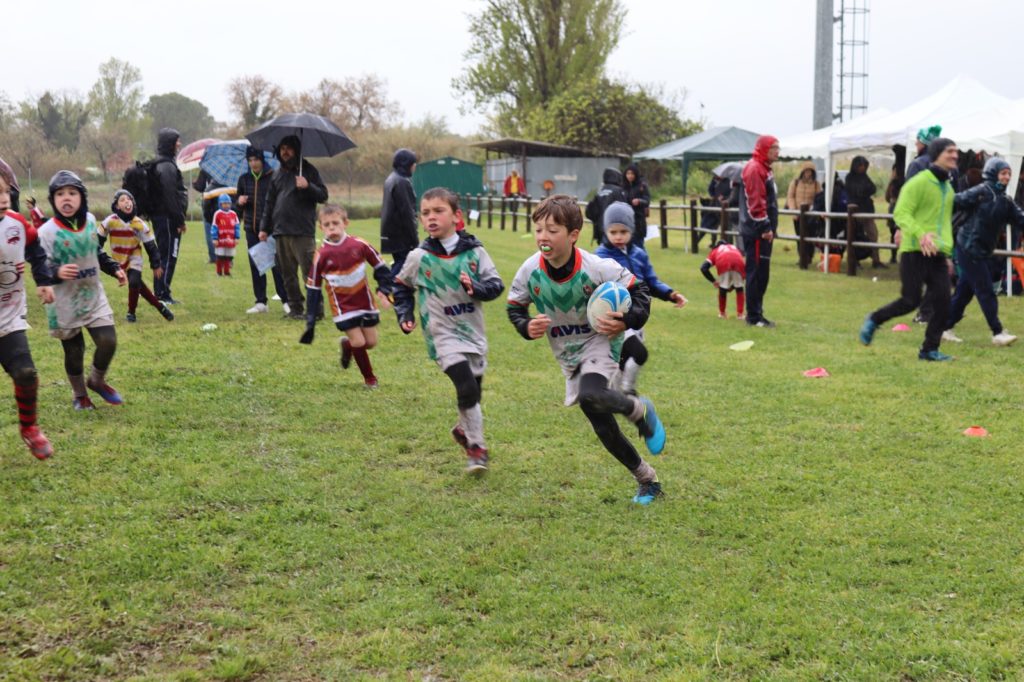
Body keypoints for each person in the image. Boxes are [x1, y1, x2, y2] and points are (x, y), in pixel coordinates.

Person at [506, 194, 666, 505]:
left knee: (591, 394)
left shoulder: (597, 267)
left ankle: (638, 409)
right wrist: (525, 326)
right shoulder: (530, 271)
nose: (543, 237)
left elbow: (640, 291)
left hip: (601, 341)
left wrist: (626, 321)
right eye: (538, 229)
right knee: (602, 426)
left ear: (573, 234)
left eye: (552, 230)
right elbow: (515, 307)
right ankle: (648, 479)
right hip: (568, 353)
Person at [394, 188, 504, 474]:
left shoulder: (476, 252)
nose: (431, 217)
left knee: (473, 395)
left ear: (456, 216)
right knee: (465, 387)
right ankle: (476, 449)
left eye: (438, 211)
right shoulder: (419, 257)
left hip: (473, 333)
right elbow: (401, 286)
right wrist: (404, 313)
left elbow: (495, 286)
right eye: (425, 213)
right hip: (441, 334)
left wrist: (475, 288)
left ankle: (462, 429)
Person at [859, 138, 959, 361]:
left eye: (956, 151)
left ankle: (929, 350)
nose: (955, 155)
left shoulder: (948, 189)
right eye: (949, 151)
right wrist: (921, 234)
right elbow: (901, 213)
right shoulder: (919, 182)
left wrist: (947, 253)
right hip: (914, 251)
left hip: (937, 254)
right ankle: (875, 319)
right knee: (910, 301)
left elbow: (943, 224)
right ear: (936, 155)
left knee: (943, 304)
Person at [38, 171, 128, 408]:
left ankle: (97, 381)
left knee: (108, 341)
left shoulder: (89, 221)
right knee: (75, 352)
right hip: (64, 301)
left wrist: (114, 267)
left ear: (82, 197)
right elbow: (39, 266)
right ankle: (80, 395)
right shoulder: (47, 232)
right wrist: (56, 272)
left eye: (72, 193)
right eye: (60, 194)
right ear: (52, 199)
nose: (66, 199)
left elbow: (95, 250)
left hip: (92, 295)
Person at [595, 202, 687, 395]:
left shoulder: (639, 254)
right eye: (613, 232)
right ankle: (628, 390)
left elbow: (650, 283)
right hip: (615, 317)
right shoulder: (600, 257)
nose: (618, 236)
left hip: (637, 316)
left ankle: (612, 395)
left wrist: (670, 294)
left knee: (624, 357)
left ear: (632, 230)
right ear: (605, 231)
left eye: (623, 231)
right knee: (639, 353)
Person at [299, 204, 394, 388]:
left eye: (336, 223)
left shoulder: (359, 245)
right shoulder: (322, 255)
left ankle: (347, 346)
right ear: (321, 228)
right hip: (342, 306)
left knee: (371, 342)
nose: (331, 227)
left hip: (365, 302)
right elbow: (313, 288)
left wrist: (384, 289)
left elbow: (381, 267)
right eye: (327, 225)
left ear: (346, 223)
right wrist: (310, 321)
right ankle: (370, 378)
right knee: (359, 341)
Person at [0, 175, 57, 459]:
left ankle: (29, 427)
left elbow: (35, 248)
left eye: (5, 191)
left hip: (8, 318)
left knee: (25, 373)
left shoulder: (17, 223)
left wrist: (44, 280)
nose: (3, 198)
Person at [942, 157, 1024, 347]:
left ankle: (943, 327)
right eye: (1003, 173)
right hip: (968, 248)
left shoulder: (1005, 201)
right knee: (985, 289)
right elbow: (954, 201)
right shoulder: (980, 192)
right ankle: (997, 332)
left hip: (983, 251)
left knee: (964, 292)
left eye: (1009, 173)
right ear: (992, 173)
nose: (1007, 177)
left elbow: (1021, 218)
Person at [259, 135, 329, 320]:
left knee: (309, 273)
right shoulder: (277, 173)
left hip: (302, 232)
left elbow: (323, 195)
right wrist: (264, 228)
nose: (285, 151)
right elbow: (269, 202)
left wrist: (308, 186)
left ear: (297, 150)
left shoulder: (309, 170)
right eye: (282, 148)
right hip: (280, 231)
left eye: (289, 148)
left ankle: (316, 310)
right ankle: (296, 309)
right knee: (287, 275)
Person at [98, 190, 173, 323]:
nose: (127, 202)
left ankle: (131, 313)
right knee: (138, 285)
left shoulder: (139, 223)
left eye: (129, 199)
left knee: (134, 282)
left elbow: (151, 245)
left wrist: (156, 264)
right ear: (116, 206)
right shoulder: (110, 221)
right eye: (122, 200)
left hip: (134, 258)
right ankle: (160, 306)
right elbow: (97, 242)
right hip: (118, 261)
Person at [237, 146, 286, 314]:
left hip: (271, 230)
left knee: (276, 265)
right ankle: (260, 302)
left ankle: (285, 299)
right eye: (250, 160)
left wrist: (270, 226)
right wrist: (239, 201)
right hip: (251, 228)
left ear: (262, 160)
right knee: (256, 264)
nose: (253, 163)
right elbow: (237, 209)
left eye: (256, 159)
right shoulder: (243, 179)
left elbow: (279, 203)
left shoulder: (273, 177)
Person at [739, 135, 780, 328]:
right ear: (764, 148)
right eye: (774, 148)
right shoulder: (755, 169)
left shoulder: (764, 168)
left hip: (763, 232)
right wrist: (765, 227)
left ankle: (758, 312)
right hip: (756, 232)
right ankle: (754, 316)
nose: (777, 151)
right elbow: (756, 203)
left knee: (763, 273)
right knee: (756, 273)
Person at [150, 128, 187, 305]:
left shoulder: (163, 164)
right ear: (169, 143)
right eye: (176, 141)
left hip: (162, 218)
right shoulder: (166, 167)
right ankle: (162, 294)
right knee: (168, 255)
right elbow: (170, 196)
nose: (179, 144)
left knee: (164, 254)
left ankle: (162, 291)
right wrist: (179, 220)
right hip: (168, 219)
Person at [380, 148, 418, 280]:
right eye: (413, 163)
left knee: (400, 262)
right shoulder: (401, 182)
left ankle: (394, 290)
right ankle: (388, 287)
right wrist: (414, 239)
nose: (415, 166)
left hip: (391, 232)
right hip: (401, 234)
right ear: (407, 164)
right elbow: (407, 212)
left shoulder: (391, 178)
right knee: (404, 263)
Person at [844, 156, 885, 268]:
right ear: (856, 166)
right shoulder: (849, 178)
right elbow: (856, 192)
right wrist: (863, 191)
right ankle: (853, 260)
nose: (863, 168)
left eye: (864, 166)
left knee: (873, 235)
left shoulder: (865, 177)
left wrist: (864, 191)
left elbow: (873, 188)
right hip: (855, 212)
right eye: (861, 165)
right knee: (853, 236)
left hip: (867, 211)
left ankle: (876, 261)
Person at [785, 161, 820, 266]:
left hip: (810, 215)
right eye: (806, 171)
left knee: (810, 236)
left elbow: (819, 198)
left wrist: (815, 210)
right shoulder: (795, 182)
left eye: (810, 171)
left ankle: (809, 256)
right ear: (802, 172)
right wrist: (793, 211)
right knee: (799, 236)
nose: (808, 173)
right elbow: (790, 197)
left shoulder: (816, 184)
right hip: (798, 214)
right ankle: (802, 257)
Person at [700, 240, 746, 319]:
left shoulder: (715, 250)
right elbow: (744, 274)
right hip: (739, 263)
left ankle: (722, 313)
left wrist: (713, 281)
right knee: (739, 288)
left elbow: (703, 268)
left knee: (723, 290)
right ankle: (740, 314)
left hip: (723, 262)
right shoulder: (734, 248)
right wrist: (733, 287)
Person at [585, 167, 627, 245]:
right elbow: (624, 209)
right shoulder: (618, 191)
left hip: (600, 229)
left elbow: (590, 212)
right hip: (614, 228)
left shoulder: (600, 191)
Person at [192, 168, 223, 264]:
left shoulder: (206, 168)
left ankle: (213, 257)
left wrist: (194, 183)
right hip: (223, 202)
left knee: (209, 230)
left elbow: (200, 186)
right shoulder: (225, 169)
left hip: (209, 201)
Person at [622, 163, 651, 250]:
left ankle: (642, 262)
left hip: (638, 220)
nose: (630, 176)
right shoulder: (623, 187)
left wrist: (639, 201)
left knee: (639, 245)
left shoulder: (642, 186)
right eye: (628, 173)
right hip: (626, 219)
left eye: (632, 174)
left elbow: (647, 200)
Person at [211, 194, 240, 277]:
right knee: (220, 256)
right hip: (220, 239)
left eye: (228, 203)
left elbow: (237, 226)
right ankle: (219, 272)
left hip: (230, 239)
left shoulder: (233, 214)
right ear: (220, 204)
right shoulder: (217, 214)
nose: (226, 205)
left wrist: (237, 237)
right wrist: (215, 238)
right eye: (224, 203)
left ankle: (227, 272)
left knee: (228, 256)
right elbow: (214, 227)